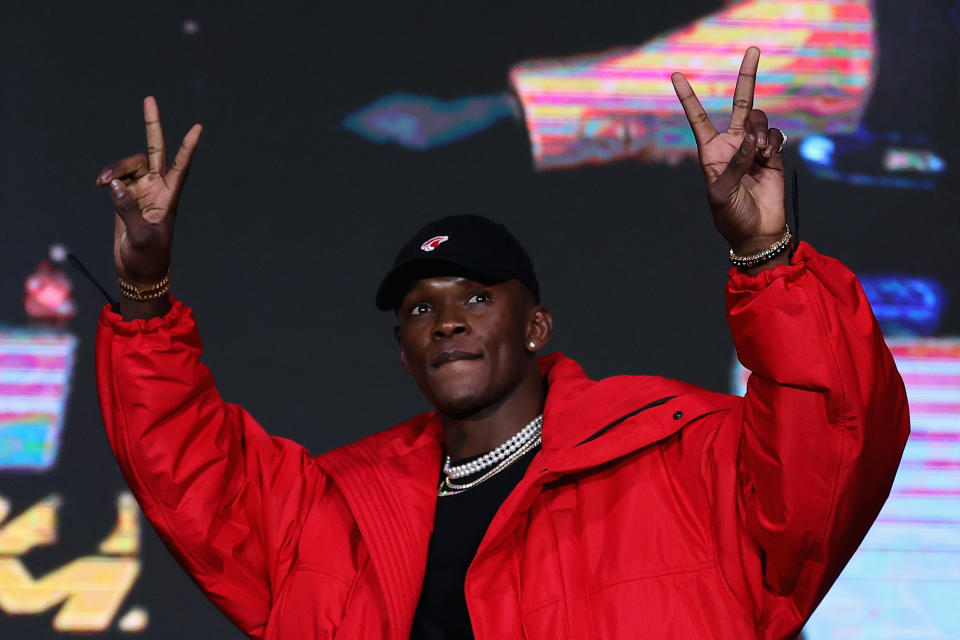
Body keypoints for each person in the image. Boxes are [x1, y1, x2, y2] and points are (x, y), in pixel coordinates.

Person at [93, 48, 909, 639]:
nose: (445, 320)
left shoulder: (678, 455)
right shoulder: (331, 511)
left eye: (476, 297)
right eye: (418, 310)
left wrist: (767, 257)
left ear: (537, 328)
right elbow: (188, 466)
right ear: (402, 352)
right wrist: (144, 288)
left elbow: (833, 439)